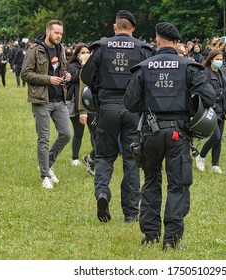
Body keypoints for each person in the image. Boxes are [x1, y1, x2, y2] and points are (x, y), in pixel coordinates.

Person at [124, 22, 216, 249]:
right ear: (176, 43)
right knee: (178, 185)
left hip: (150, 133)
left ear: (157, 40)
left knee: (151, 181)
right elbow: (210, 97)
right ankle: (172, 239)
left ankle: (150, 234)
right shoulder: (189, 66)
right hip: (178, 133)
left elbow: (130, 103)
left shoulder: (143, 68)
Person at [81, 10, 153, 223]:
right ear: (132, 29)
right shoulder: (142, 49)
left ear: (115, 27)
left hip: (107, 108)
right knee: (131, 159)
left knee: (104, 156)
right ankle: (131, 212)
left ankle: (103, 193)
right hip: (132, 110)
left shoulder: (101, 47)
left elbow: (85, 77)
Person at [21, 19, 72, 189]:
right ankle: (45, 176)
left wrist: (66, 75)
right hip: (42, 100)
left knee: (66, 134)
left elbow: (61, 68)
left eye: (61, 33)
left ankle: (48, 164)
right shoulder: (35, 49)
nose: (59, 36)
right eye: (57, 33)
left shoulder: (61, 48)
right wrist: (48, 79)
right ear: (48, 31)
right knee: (43, 138)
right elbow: (25, 74)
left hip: (59, 99)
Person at [195, 48, 226, 174]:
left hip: (222, 110)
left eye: (221, 60)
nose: (219, 62)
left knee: (219, 138)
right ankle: (201, 156)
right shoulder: (204, 73)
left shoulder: (222, 73)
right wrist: (214, 106)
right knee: (215, 136)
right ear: (211, 59)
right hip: (211, 109)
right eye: (217, 59)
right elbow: (204, 93)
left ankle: (215, 164)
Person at [66, 43, 91, 166]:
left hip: (90, 103)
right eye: (82, 52)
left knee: (94, 132)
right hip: (75, 103)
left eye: (87, 52)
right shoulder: (72, 66)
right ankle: (75, 158)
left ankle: (94, 156)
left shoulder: (92, 65)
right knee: (78, 131)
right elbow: (75, 77)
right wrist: (83, 65)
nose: (85, 55)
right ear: (77, 55)